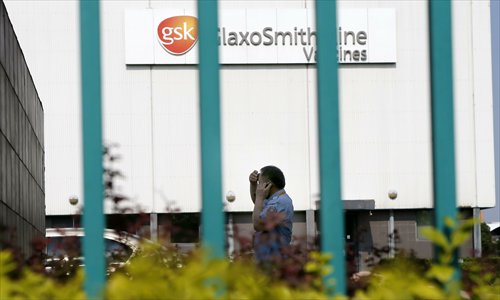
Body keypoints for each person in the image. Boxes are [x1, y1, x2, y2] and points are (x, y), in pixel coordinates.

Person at [249, 166, 294, 264]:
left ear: (268, 184)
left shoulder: (280, 202)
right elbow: (257, 203)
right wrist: (253, 184)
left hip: (274, 261)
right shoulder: (275, 198)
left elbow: (258, 225)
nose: (259, 187)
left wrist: (260, 196)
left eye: (260, 183)